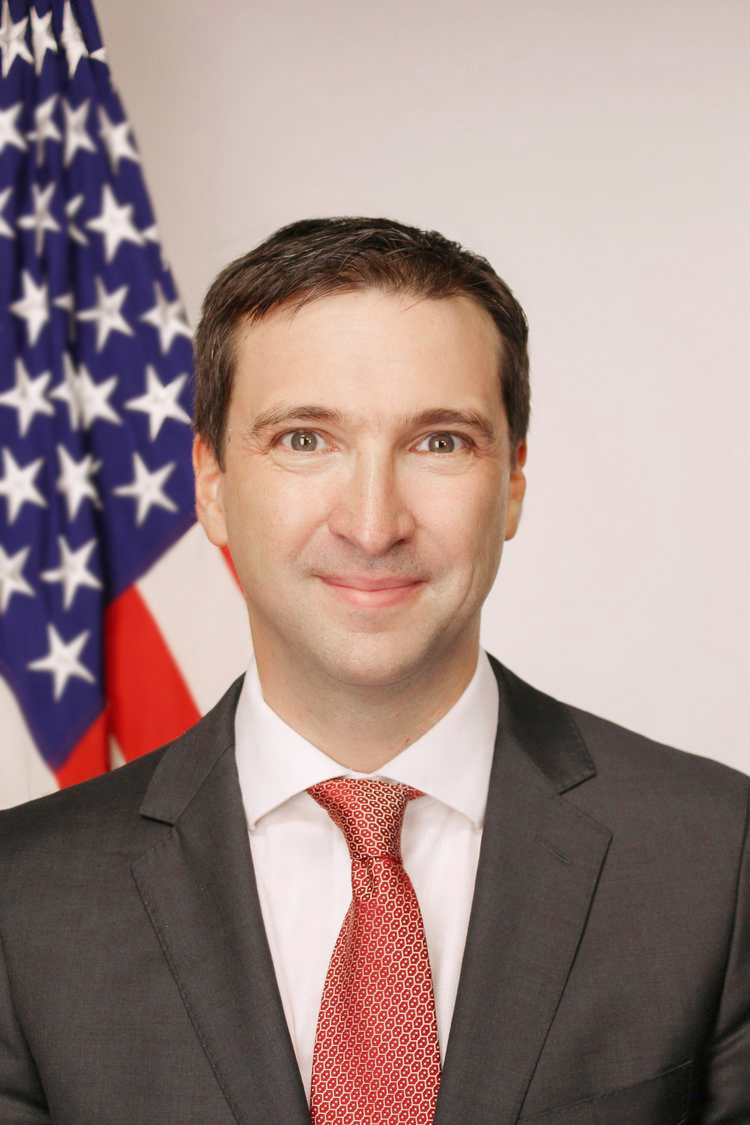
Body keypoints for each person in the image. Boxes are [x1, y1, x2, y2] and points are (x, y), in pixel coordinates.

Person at [0, 217, 748, 1125]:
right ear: (209, 484)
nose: (371, 521)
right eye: (306, 439)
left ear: (512, 482)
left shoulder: (718, 860)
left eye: (440, 441)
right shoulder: (23, 898)